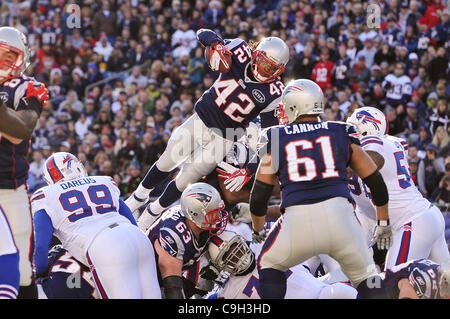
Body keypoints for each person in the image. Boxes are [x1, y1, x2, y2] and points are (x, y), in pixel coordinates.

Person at [127, 29, 289, 229]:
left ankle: (152, 214)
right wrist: (216, 44)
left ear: (279, 71)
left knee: (186, 178)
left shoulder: (275, 93)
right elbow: (203, 33)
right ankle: (137, 199)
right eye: (263, 62)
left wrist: (249, 170)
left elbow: (270, 138)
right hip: (201, 120)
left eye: (271, 68)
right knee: (167, 160)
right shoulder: (239, 49)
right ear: (256, 54)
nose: (265, 70)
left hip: (225, 138)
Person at [249, 79, 392, 299]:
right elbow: (376, 182)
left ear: (294, 105)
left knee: (269, 263)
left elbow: (259, 196)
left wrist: (258, 229)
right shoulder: (340, 131)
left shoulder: (275, 137)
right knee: (369, 276)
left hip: (297, 222)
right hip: (342, 219)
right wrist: (383, 222)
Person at [31, 152, 161, 299]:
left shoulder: (45, 196)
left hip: (102, 245)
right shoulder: (103, 181)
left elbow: (41, 246)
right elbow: (130, 220)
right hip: (137, 238)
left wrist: (40, 273)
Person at [347, 107, 450, 269]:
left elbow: (374, 159)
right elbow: (367, 208)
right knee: (444, 282)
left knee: (394, 284)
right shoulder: (391, 142)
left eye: (353, 126)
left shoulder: (373, 143)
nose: (349, 130)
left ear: (366, 129)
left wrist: (345, 166)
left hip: (412, 221)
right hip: (423, 216)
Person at [0, 26, 49, 299]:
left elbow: (22, 130)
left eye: (10, 57)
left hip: (9, 189)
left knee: (21, 272)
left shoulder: (24, 88)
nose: (3, 63)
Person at [206, 229, 358, 299]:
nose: (237, 256)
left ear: (242, 242)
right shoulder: (229, 292)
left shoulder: (262, 243)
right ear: (222, 265)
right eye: (229, 257)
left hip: (319, 293)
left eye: (236, 249)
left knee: (342, 291)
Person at [145, 182, 228, 299]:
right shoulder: (174, 233)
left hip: (180, 266)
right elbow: (172, 287)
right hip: (147, 277)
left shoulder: (199, 222)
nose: (219, 216)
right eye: (213, 213)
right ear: (194, 214)